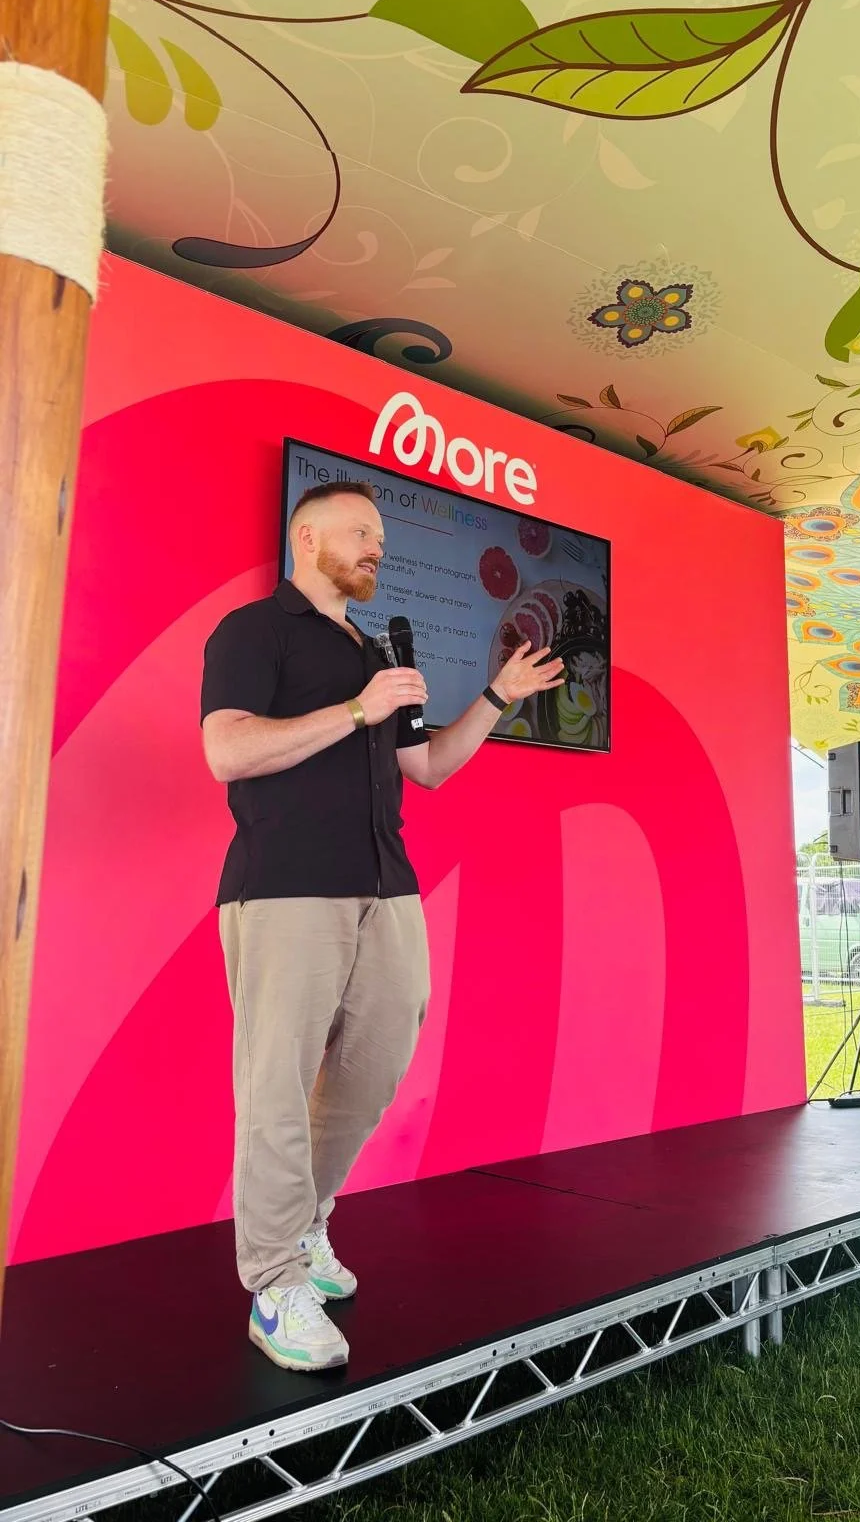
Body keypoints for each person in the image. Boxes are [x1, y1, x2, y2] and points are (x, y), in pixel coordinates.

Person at [200, 480, 564, 1372]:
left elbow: (429, 765)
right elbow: (227, 750)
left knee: (371, 1072)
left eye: (381, 539)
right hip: (285, 888)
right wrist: (356, 709)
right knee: (277, 1087)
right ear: (308, 535)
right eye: (362, 533)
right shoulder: (255, 631)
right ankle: (275, 1281)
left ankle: (308, 1227)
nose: (376, 549)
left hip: (387, 886)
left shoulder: (377, 650)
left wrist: (498, 696)